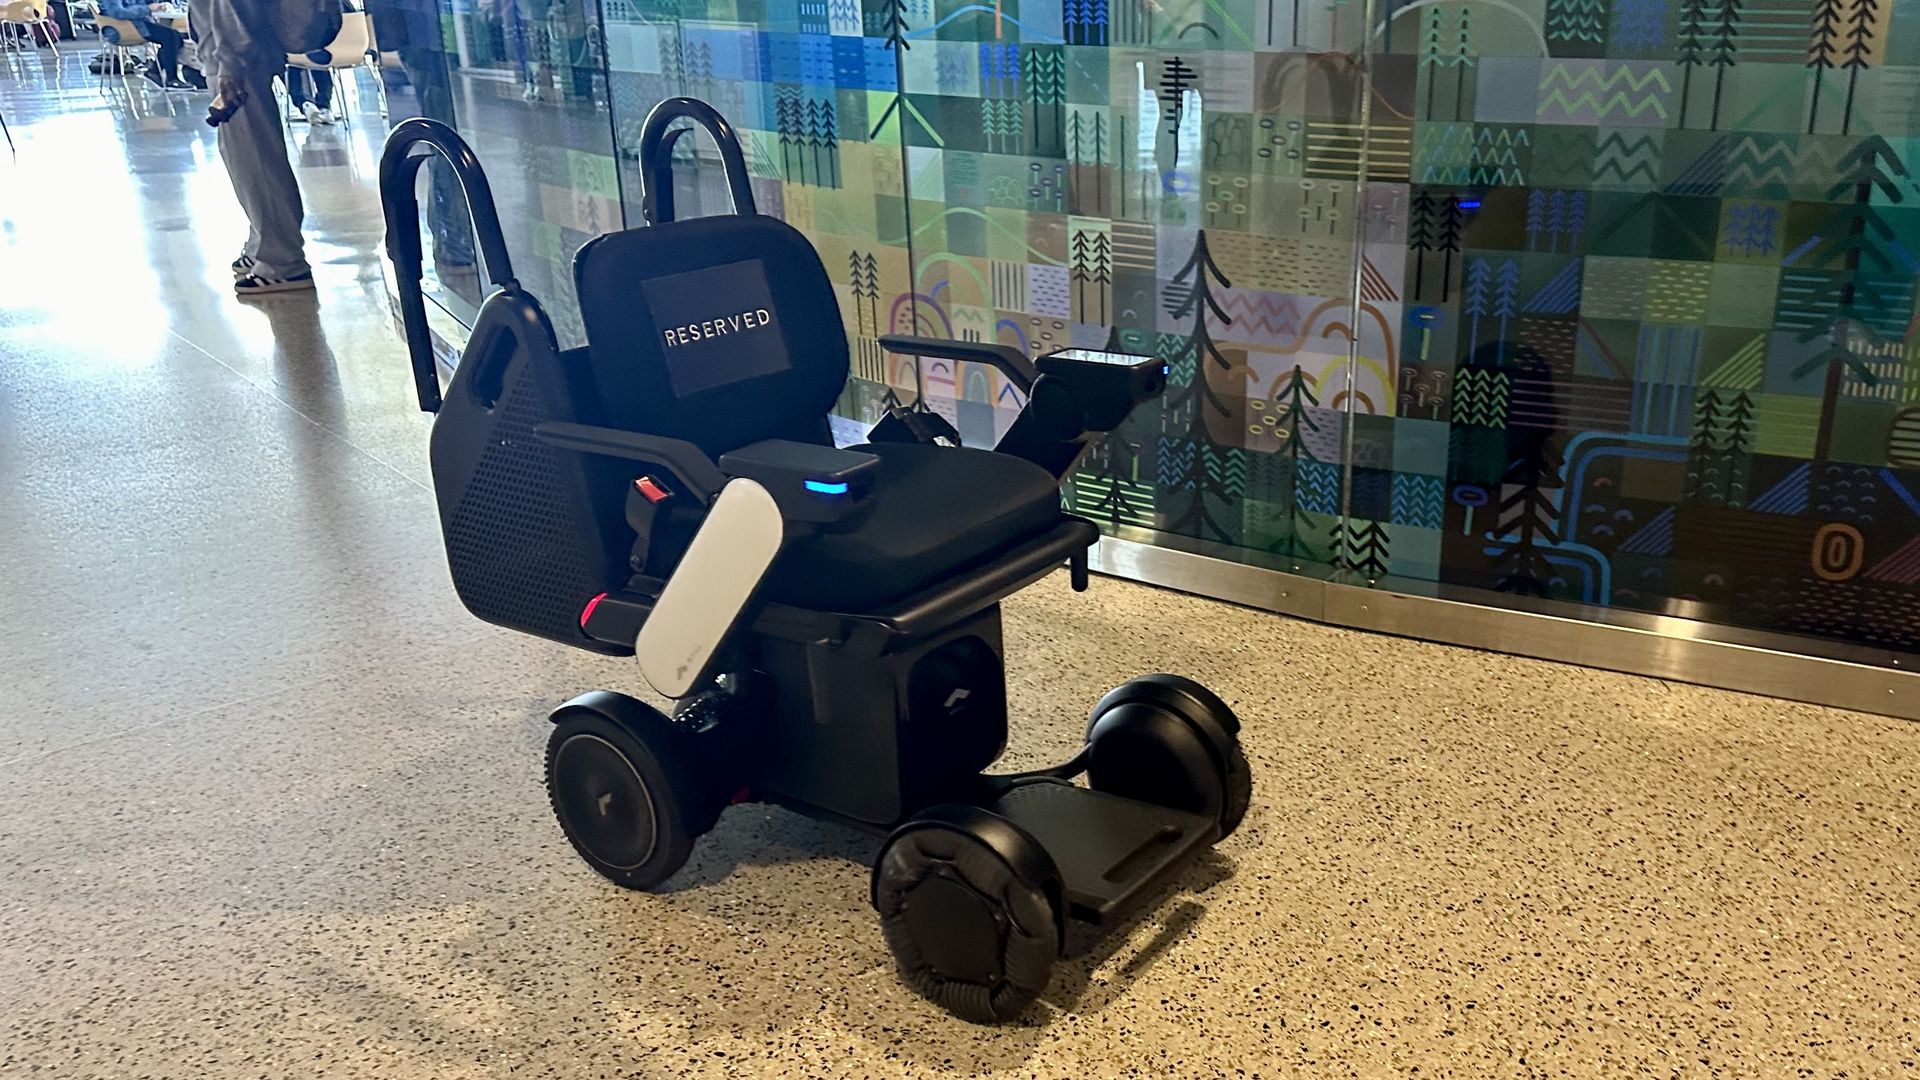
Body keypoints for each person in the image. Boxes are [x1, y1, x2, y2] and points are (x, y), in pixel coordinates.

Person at [198, 0, 314, 295]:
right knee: (243, 156)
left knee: (255, 160)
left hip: (237, 59)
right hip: (232, 54)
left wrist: (229, 63)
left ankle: (282, 258)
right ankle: (264, 240)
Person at [97, 0, 190, 89]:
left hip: (137, 24)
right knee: (171, 37)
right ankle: (169, 78)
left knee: (175, 37)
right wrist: (147, 9)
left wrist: (153, 6)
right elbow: (118, 12)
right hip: (122, 28)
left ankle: (156, 72)